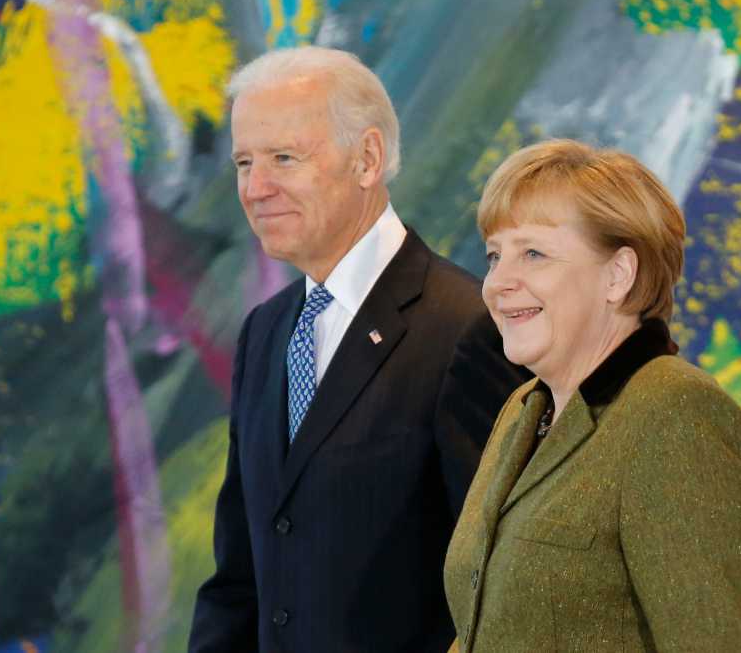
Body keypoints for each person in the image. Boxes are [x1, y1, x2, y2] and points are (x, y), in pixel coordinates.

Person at [190, 46, 525, 653]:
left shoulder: (467, 328)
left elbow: (502, 582)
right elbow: (241, 577)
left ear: (367, 159)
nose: (255, 188)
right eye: (243, 163)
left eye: (283, 158)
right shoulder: (265, 331)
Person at [444, 139, 741, 652]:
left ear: (618, 275)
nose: (497, 282)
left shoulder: (676, 414)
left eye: (532, 253)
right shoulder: (523, 408)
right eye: (494, 256)